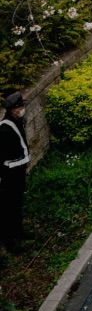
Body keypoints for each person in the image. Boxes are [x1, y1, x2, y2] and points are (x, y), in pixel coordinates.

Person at [0, 92, 29, 253]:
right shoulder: (5, 129)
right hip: (9, 175)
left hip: (18, 172)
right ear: (13, 110)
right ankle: (9, 243)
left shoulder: (16, 121)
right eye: (20, 106)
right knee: (8, 208)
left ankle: (19, 232)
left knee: (17, 204)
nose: (23, 108)